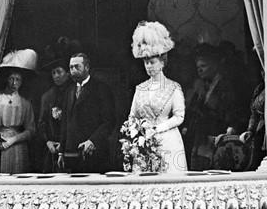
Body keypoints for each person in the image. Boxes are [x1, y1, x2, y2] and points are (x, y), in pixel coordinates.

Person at [128, 21, 188, 173]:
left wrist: (158, 128)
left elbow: (179, 116)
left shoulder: (173, 88)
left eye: (152, 62)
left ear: (162, 62)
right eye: (146, 63)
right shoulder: (140, 88)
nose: (148, 66)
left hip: (168, 142)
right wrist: (136, 133)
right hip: (143, 144)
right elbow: (132, 116)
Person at [182, 43, 245, 171]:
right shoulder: (200, 87)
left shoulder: (225, 86)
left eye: (203, 66)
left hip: (218, 138)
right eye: (198, 67)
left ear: (214, 65)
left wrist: (231, 128)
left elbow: (232, 111)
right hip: (201, 140)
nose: (200, 70)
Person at [58, 53, 115, 173]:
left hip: (95, 154)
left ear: (87, 67)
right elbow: (65, 123)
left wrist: (93, 141)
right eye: (71, 67)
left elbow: (109, 122)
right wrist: (61, 152)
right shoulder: (69, 92)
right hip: (73, 156)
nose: (73, 71)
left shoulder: (101, 89)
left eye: (77, 67)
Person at [0, 49, 37, 174]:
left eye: (17, 79)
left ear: (21, 82)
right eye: (11, 79)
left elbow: (31, 130)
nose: (14, 83)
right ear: (6, 79)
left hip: (17, 148)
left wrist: (12, 141)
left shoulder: (25, 103)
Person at [38, 57, 73, 172]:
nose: (56, 76)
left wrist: (64, 143)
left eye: (59, 72)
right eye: (53, 73)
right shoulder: (47, 96)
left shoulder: (74, 92)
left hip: (70, 147)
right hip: (51, 147)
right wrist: (47, 141)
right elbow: (42, 123)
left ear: (68, 73)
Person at [239, 73, 265, 170]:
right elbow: (254, 114)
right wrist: (250, 130)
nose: (264, 74)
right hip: (258, 132)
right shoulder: (260, 88)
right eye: (262, 72)